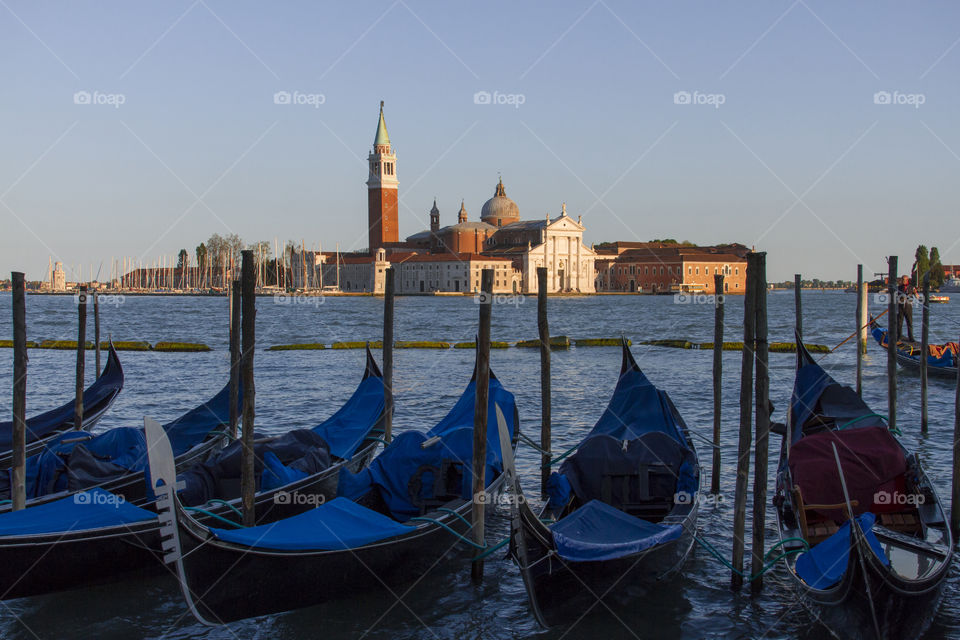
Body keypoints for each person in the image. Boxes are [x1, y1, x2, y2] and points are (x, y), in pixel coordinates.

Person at [896, 276, 915, 342]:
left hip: (908, 307)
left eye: (904, 280)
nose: (903, 281)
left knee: (909, 323)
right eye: (902, 279)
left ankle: (911, 338)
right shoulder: (899, 288)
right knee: (899, 323)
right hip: (901, 307)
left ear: (907, 280)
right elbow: (897, 296)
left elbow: (916, 295)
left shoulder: (911, 287)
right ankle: (899, 337)